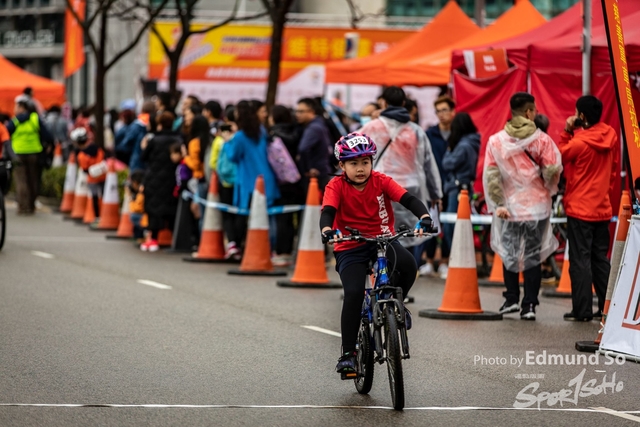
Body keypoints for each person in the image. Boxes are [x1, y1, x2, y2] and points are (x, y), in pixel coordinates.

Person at [320, 132, 434, 376]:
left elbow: (408, 199)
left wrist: (424, 217)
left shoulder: (381, 181)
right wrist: (327, 230)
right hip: (350, 245)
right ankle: (348, 354)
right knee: (353, 293)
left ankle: (397, 305)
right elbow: (328, 211)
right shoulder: (335, 186)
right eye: (353, 163)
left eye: (365, 162)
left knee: (408, 265)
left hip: (382, 240)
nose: (360, 168)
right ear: (342, 166)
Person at [483, 92, 562, 321]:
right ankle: (529, 305)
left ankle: (511, 298)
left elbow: (491, 176)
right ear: (528, 112)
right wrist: (547, 186)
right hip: (537, 207)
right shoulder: (542, 140)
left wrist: (498, 203)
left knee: (509, 252)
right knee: (532, 256)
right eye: (534, 110)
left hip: (508, 209)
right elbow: (552, 171)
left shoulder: (496, 141)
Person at [358, 86, 442, 257]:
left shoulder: (371, 127)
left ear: (383, 103)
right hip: (410, 189)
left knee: (378, 233)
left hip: (380, 188)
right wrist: (435, 194)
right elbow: (428, 164)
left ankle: (381, 267)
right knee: (407, 235)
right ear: (404, 103)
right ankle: (404, 268)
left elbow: (348, 150)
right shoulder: (416, 131)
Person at [559, 95, 617, 322]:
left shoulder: (579, 143)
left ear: (581, 116)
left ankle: (582, 310)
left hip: (580, 209)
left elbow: (560, 156)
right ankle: (607, 308)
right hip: (602, 207)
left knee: (580, 260)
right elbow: (612, 173)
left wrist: (567, 130)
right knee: (600, 259)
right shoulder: (610, 137)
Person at [224, 100, 280, 253]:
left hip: (249, 181)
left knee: (244, 215)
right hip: (267, 178)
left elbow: (233, 156)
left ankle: (240, 247)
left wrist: (227, 142)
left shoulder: (240, 136)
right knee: (268, 216)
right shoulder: (261, 131)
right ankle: (270, 249)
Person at [419, 95, 456, 278]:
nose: (441, 114)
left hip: (452, 186)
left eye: (444, 110)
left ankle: (445, 261)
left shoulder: (458, 134)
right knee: (430, 223)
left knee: (449, 225)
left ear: (452, 111)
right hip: (432, 186)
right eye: (438, 111)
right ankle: (429, 261)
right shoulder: (430, 134)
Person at [441, 112, 480, 271]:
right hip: (464, 187)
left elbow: (447, 163)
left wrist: (449, 149)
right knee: (460, 225)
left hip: (457, 189)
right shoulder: (473, 143)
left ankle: (456, 260)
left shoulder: (463, 146)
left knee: (451, 226)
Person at [140, 112, 182, 252]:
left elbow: (144, 157)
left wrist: (144, 147)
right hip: (172, 177)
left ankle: (153, 239)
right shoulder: (178, 138)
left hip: (154, 178)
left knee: (154, 208)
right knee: (171, 208)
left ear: (159, 124)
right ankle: (174, 239)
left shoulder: (154, 140)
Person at [269, 104, 303, 267]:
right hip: (297, 179)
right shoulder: (298, 131)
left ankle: (282, 252)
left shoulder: (273, 135)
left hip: (280, 181)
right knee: (292, 217)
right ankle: (290, 251)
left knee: (282, 218)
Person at [6, 99, 54, 214]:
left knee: (21, 180)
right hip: (34, 153)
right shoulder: (35, 118)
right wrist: (48, 146)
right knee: (34, 180)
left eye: (17, 107)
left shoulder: (15, 120)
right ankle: (32, 205)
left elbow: (6, 134)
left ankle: (23, 207)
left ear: (22, 108)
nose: (15, 109)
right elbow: (46, 135)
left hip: (18, 153)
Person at [295, 97, 333, 193]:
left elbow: (303, 148)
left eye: (301, 111)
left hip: (316, 174)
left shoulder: (313, 128)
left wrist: (307, 168)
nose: (297, 115)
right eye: (297, 111)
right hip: (322, 170)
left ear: (311, 111)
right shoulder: (319, 125)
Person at [72, 127, 106, 224]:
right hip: (103, 176)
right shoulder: (98, 149)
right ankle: (104, 216)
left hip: (92, 179)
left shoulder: (81, 155)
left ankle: (97, 217)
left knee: (94, 198)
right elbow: (103, 159)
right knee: (104, 196)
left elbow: (84, 169)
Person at [128, 169, 146, 243]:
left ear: (135, 182)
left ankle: (143, 236)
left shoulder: (141, 192)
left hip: (145, 215)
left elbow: (136, 208)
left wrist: (130, 198)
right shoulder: (141, 191)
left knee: (134, 216)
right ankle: (138, 236)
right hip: (145, 214)